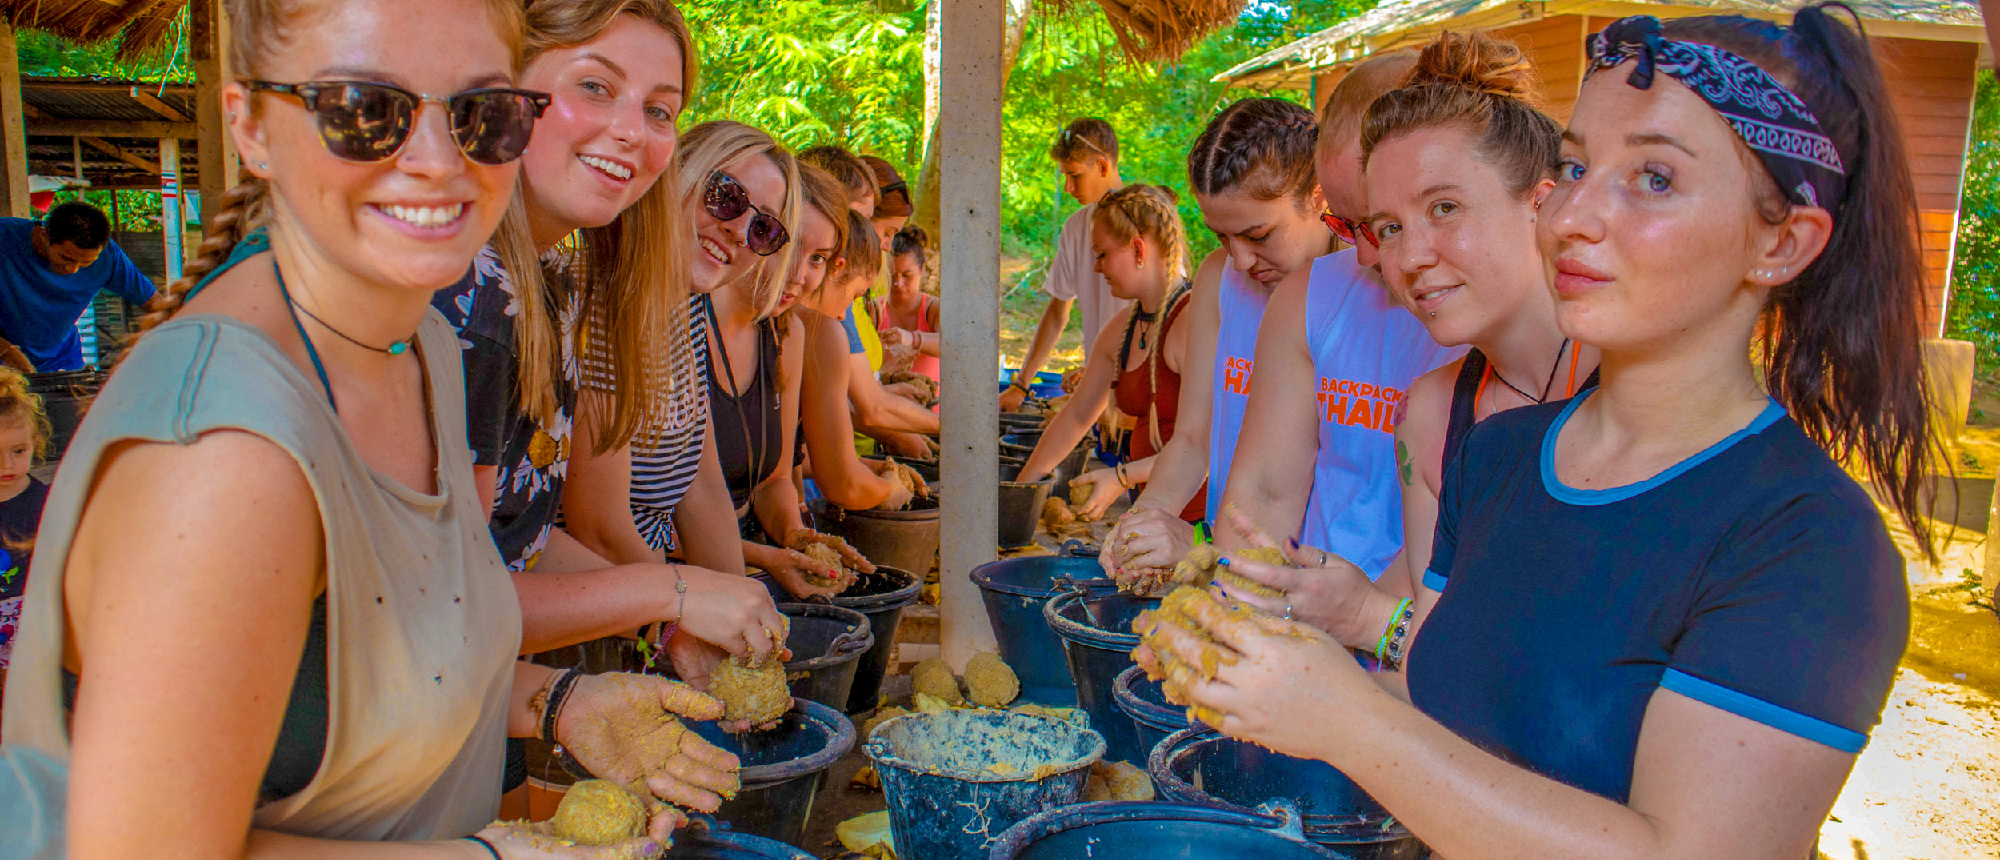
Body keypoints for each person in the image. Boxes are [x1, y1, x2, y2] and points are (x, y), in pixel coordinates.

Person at [1145, 10, 1930, 857]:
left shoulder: (1811, 546)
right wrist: (1323, 637)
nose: (1573, 216)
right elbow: (1442, 709)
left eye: (1655, 179)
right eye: (1578, 166)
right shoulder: (1500, 453)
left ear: (1782, 241)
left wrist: (1344, 713)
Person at [0, 0, 740, 855]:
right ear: (249, 125)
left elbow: (366, 662)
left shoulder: (418, 339)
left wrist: (560, 703)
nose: (437, 160)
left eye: (480, 113)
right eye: (362, 107)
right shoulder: (221, 452)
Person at [1219, 32, 1600, 649]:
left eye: (1444, 207)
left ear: (1543, 203)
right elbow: (1433, 647)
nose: (1402, 257)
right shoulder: (1433, 414)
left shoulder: (1643, 385)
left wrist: (1370, 621)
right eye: (1382, 226)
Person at [1099, 98, 1336, 582]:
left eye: (1259, 235)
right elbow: (1192, 435)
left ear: (1318, 196)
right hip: (1231, 568)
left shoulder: (1362, 294)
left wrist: (1202, 544)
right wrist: (1150, 518)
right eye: (1224, 238)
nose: (1244, 261)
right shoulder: (1219, 279)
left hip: (1318, 570)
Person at [1016, 184, 1201, 521]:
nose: (1097, 268)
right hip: (1154, 514)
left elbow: (1210, 446)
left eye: (1101, 254)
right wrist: (1021, 488)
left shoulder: (1189, 323)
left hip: (1200, 525)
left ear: (1137, 249)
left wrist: (1122, 477)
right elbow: (1075, 416)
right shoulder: (1125, 326)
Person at [794, 209, 926, 511]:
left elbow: (788, 459)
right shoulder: (824, 334)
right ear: (837, 267)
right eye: (854, 296)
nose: (843, 315)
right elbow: (845, 483)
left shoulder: (799, 333)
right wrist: (888, 488)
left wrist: (866, 466)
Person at [1002, 118, 1133, 413]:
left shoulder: (1145, 220)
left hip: (1136, 390)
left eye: (1074, 175)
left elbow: (1163, 314)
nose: (1069, 186)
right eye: (1064, 176)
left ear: (1102, 166)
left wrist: (1113, 372)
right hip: (1099, 390)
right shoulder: (1075, 228)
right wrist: (1021, 384)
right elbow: (1057, 311)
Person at [0, 201, 164, 373]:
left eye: (86, 263)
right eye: (66, 258)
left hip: (62, 362)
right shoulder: (4, 238)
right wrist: (7, 352)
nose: (73, 270)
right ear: (44, 235)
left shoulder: (109, 257)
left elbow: (156, 304)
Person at [0, 367, 48, 692]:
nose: (7, 465)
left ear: (35, 443)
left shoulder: (46, 502)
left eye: (19, 452)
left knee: (21, 693)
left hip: (27, 619)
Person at [873, 225, 942, 384]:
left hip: (928, 407)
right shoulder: (873, 310)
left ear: (921, 270)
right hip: (885, 404)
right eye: (892, 275)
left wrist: (912, 339)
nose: (898, 283)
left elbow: (952, 346)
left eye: (907, 275)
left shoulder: (933, 310)